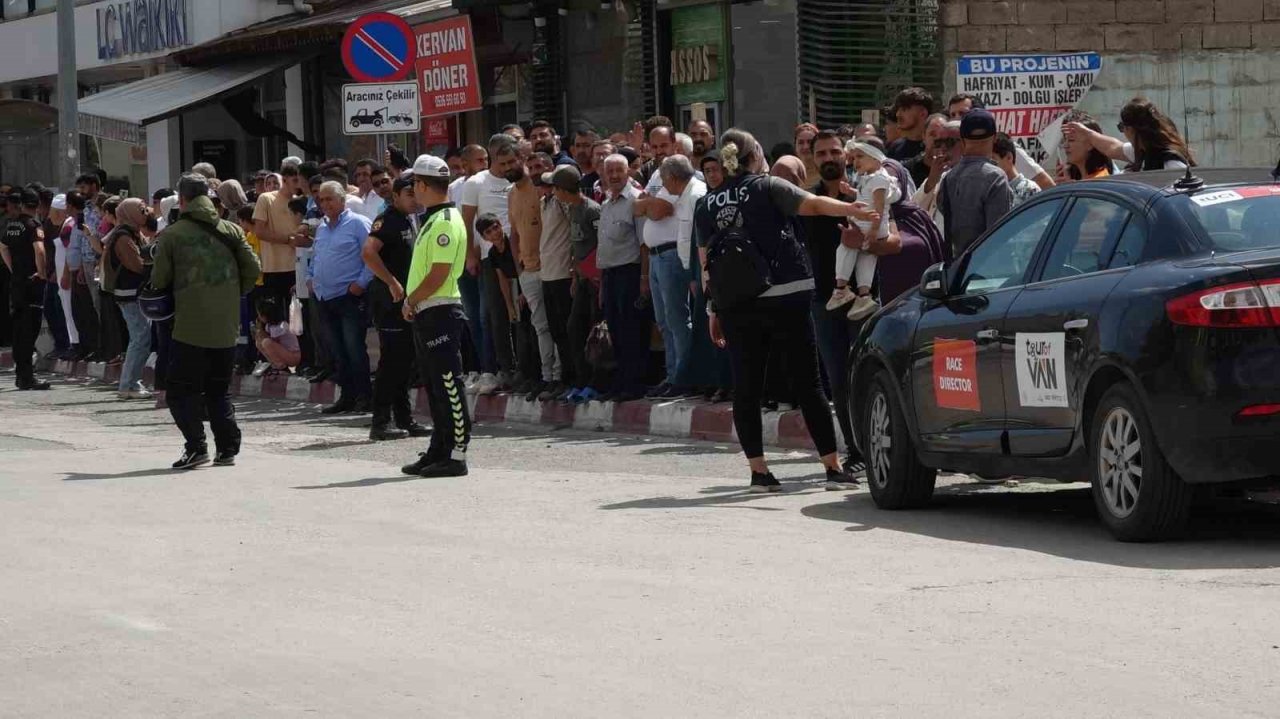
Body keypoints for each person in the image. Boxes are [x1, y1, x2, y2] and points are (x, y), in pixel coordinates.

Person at [695, 129, 864, 493]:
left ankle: (759, 472)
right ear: (756, 153)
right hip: (786, 294)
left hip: (736, 303)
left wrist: (713, 310)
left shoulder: (706, 203)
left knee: (747, 387)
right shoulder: (767, 186)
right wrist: (850, 208)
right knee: (808, 383)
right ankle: (832, 468)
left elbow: (705, 263)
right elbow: (813, 204)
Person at [151, 173, 261, 469]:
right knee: (218, 389)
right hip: (226, 325)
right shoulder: (230, 229)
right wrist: (232, 293)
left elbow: (159, 279)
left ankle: (196, 446)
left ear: (182, 200)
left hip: (188, 327)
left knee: (180, 390)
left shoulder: (172, 235)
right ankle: (227, 449)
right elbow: (253, 267)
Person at [400, 155, 472, 478]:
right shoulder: (433, 218)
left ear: (422, 185)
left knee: (448, 383)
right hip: (428, 310)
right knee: (434, 385)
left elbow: (439, 273)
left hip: (440, 309)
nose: (413, 189)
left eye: (415, 183)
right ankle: (439, 448)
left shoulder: (444, 221)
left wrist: (410, 298)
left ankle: (457, 454)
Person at [360, 175, 432, 440]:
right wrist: (390, 282)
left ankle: (404, 418)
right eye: (410, 194)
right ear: (397, 196)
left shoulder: (411, 220)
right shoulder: (388, 219)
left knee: (405, 361)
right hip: (389, 301)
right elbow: (368, 252)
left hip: (407, 301)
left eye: (417, 193)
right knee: (391, 361)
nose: (415, 199)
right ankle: (380, 422)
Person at [309, 181, 374, 415]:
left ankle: (365, 397)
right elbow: (316, 256)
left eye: (330, 199)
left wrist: (360, 284)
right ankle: (346, 397)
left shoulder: (358, 224)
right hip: (325, 297)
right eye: (322, 200)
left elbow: (373, 256)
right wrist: (311, 277)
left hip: (349, 297)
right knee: (337, 350)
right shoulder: (322, 228)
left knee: (354, 348)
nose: (325, 204)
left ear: (342, 200)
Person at [635, 125, 691, 398]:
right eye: (654, 147)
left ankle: (685, 377)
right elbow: (638, 208)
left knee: (677, 319)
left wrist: (648, 204)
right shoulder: (657, 175)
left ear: (675, 146)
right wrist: (648, 204)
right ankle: (672, 376)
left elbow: (659, 210)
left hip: (672, 255)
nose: (658, 152)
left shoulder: (681, 174)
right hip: (655, 258)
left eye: (663, 147)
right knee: (663, 321)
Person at [461, 134, 519, 394]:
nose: (507, 167)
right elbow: (467, 222)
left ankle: (517, 370)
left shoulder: (518, 178)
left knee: (518, 315)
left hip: (517, 255)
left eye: (511, 162)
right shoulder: (476, 182)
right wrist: (469, 256)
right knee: (490, 316)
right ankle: (492, 371)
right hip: (488, 258)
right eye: (502, 162)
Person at [827, 141, 900, 321]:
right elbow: (864, 197)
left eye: (860, 156)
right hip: (870, 222)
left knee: (845, 247)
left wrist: (874, 229)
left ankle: (841, 288)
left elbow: (879, 204)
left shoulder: (879, 179)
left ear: (875, 158)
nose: (855, 161)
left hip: (871, 223)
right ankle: (864, 295)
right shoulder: (869, 177)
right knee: (865, 257)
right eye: (853, 157)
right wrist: (850, 191)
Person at [596, 153, 648, 401]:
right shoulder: (606, 204)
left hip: (631, 273)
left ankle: (633, 384)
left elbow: (643, 244)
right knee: (614, 330)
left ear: (628, 172)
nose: (615, 176)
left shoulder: (636, 201)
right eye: (610, 172)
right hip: (610, 275)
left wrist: (644, 279)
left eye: (619, 171)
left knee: (631, 330)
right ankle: (619, 382)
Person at [552, 165, 604, 403]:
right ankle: (581, 380)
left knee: (595, 332)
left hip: (595, 281)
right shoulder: (571, 210)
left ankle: (596, 383)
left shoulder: (591, 210)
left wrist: (596, 277)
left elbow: (600, 246)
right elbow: (576, 246)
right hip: (581, 280)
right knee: (574, 330)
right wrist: (575, 275)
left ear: (563, 189)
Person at [508, 151, 557, 398]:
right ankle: (545, 377)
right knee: (540, 328)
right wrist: (520, 272)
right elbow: (514, 233)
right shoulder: (513, 193)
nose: (536, 170)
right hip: (529, 272)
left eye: (540, 166)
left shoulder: (554, 195)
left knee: (556, 327)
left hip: (555, 270)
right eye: (532, 166)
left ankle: (558, 378)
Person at [937, 108, 1014, 258]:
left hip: (959, 268)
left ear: (963, 139)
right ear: (994, 138)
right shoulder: (995, 177)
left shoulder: (949, 178)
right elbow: (999, 236)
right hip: (988, 269)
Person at [947, 93, 1055, 190]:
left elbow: (1046, 184)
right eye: (952, 115)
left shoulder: (1001, 146)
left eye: (962, 114)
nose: (956, 119)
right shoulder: (949, 150)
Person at [102, 198, 153, 399]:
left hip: (134, 293)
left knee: (140, 337)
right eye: (141, 210)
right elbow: (137, 265)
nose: (146, 213)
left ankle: (130, 382)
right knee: (140, 338)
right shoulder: (123, 237)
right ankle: (129, 384)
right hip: (129, 294)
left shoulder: (132, 233)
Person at [1, 189, 50, 390]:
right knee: (29, 332)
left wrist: (13, 269)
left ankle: (22, 376)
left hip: (17, 283)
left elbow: (2, 247)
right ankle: (27, 377)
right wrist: (42, 272)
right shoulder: (32, 225)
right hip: (31, 283)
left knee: (19, 331)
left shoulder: (11, 225)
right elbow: (39, 250)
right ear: (35, 206)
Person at [1064, 97, 1193, 172]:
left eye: (1121, 127)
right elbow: (1112, 148)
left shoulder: (1170, 163)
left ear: (1131, 129)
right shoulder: (1142, 151)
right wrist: (1086, 132)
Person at [252, 164, 305, 310]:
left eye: (300, 181)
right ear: (285, 179)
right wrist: (288, 240)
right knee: (276, 321)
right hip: (274, 270)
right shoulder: (266, 199)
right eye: (295, 180)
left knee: (299, 320)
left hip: (299, 268)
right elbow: (259, 231)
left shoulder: (302, 201)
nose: (298, 185)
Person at [1058, 112, 1114, 181]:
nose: (1065, 145)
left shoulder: (1099, 180)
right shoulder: (1073, 178)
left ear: (1090, 144)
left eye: (1071, 140)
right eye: (1064, 140)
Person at [252, 296, 300, 373]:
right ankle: (275, 364)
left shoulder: (282, 326)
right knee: (259, 342)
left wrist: (260, 329)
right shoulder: (269, 326)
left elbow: (271, 342)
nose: (259, 317)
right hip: (283, 352)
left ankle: (281, 367)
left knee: (266, 342)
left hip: (293, 355)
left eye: (260, 315)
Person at [887, 87, 936, 161]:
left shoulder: (935, 146)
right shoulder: (895, 147)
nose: (898, 114)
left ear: (922, 113)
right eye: (898, 110)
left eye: (904, 109)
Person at [994, 133, 1043, 205]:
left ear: (1009, 157)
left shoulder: (1029, 189)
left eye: (993, 161)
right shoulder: (991, 190)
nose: (989, 166)